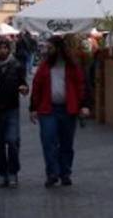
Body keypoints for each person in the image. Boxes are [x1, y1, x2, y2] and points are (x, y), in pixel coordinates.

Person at [30, 35, 89, 187]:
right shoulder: (44, 66)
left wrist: (84, 105)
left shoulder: (72, 66)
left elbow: (81, 85)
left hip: (68, 109)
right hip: (47, 109)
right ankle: (52, 173)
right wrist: (33, 108)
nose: (46, 51)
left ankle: (65, 173)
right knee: (48, 141)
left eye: (50, 48)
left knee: (66, 143)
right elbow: (36, 86)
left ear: (58, 49)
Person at [0, 38, 29, 188]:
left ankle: (13, 172)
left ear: (9, 50)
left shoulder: (16, 66)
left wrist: (24, 89)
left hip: (11, 109)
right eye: (0, 48)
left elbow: (24, 84)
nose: (3, 50)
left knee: (13, 141)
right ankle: (3, 174)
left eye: (5, 48)